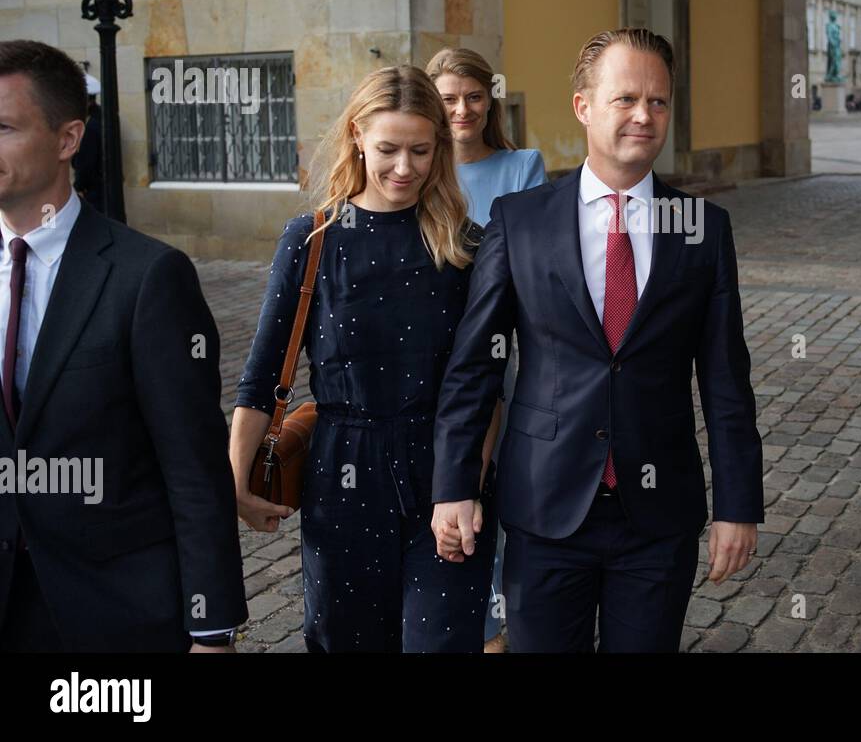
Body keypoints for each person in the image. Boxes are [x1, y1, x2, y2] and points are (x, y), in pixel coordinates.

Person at [431, 27, 764, 652]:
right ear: (583, 107)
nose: (645, 115)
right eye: (626, 99)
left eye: (659, 101)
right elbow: (474, 364)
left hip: (658, 515)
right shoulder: (520, 220)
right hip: (543, 507)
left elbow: (725, 380)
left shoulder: (704, 231)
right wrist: (454, 485)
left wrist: (737, 505)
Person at [230, 65, 496, 652]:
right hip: (342, 472)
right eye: (388, 149)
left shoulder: (467, 245)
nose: (405, 168)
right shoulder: (312, 237)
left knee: (443, 643)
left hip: (445, 467)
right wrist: (237, 481)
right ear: (356, 135)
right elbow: (262, 373)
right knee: (347, 642)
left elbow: (485, 382)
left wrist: (472, 482)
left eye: (421, 150)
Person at [0, 40, 246, 652]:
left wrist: (211, 628)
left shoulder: (146, 277)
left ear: (67, 139)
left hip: (113, 611)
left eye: (2, 127)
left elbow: (193, 465)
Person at [427, 47, 545, 652]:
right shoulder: (420, 169)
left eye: (473, 96)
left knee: (488, 477)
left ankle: (494, 631)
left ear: (489, 99)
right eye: (448, 99)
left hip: (498, 345)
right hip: (426, 345)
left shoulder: (522, 165)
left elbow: (527, 261)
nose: (462, 110)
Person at [70, 72, 102, 213]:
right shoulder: (102, 117)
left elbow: (86, 161)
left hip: (94, 190)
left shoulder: (90, 126)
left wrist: (79, 186)